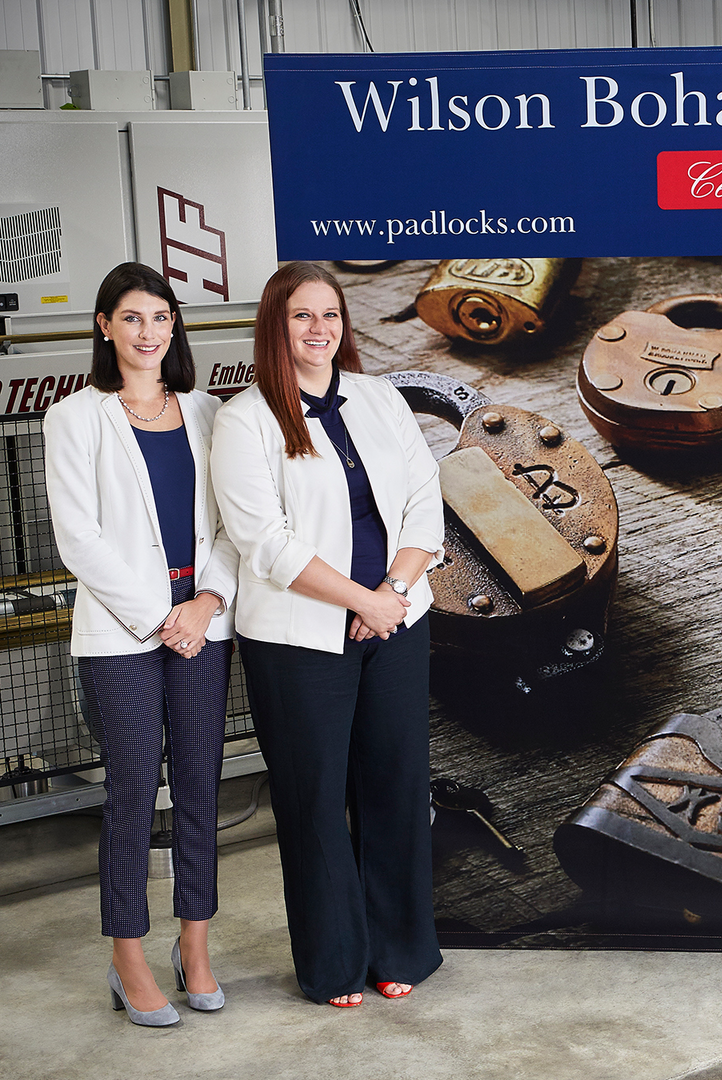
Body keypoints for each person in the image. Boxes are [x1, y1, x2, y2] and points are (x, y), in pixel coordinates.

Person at [209, 261, 443, 1007]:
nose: (319, 330)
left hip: (399, 618)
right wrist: (360, 601)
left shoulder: (379, 398)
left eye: (330, 315)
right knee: (313, 802)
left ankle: (400, 949)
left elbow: (423, 507)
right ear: (276, 328)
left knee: (396, 786)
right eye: (302, 317)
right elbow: (265, 543)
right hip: (299, 641)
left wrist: (393, 593)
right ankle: (334, 963)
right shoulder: (244, 419)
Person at [44, 262, 240, 1027]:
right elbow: (78, 539)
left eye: (160, 317)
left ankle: (194, 946)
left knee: (199, 785)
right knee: (132, 790)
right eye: (131, 318)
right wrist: (165, 614)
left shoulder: (207, 412)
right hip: (123, 634)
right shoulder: (74, 418)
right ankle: (128, 955)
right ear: (104, 327)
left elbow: (230, 524)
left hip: (202, 626)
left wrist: (207, 601)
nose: (147, 332)